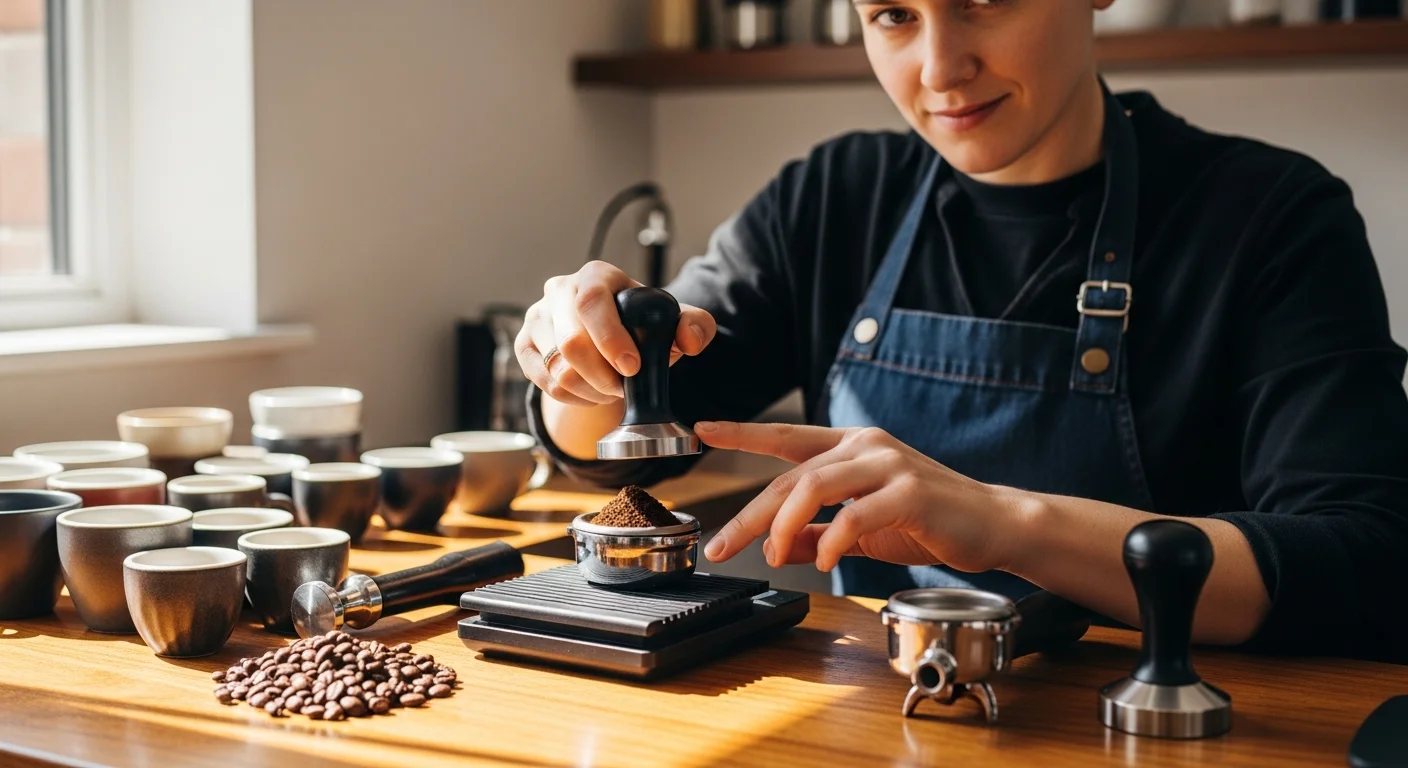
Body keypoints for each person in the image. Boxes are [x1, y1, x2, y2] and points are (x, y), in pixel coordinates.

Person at [516, 0, 1408, 662]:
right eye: (894, 15)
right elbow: (629, 438)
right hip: (877, 728)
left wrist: (1005, 524)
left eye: (986, 0)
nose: (940, 69)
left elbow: (1363, 562)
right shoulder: (832, 200)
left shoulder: (1273, 218)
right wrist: (580, 365)